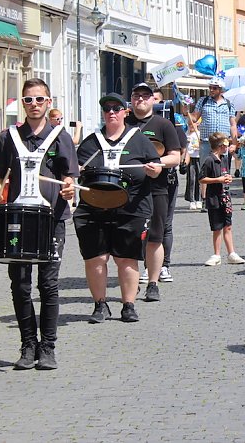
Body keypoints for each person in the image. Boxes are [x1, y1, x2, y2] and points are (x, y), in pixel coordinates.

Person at [0, 78, 79, 370]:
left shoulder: (60, 136)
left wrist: (69, 187)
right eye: (29, 100)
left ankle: (48, 347)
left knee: (48, 285)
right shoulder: (7, 137)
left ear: (48, 102)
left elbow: (70, 177)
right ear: (22, 103)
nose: (34, 104)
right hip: (17, 220)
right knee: (20, 285)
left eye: (40, 99)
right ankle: (28, 346)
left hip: (51, 220)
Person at [74, 93, 161, 325]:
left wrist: (155, 169)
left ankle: (128, 305)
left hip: (132, 206)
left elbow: (156, 166)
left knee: (126, 258)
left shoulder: (139, 139)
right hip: (94, 207)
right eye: (107, 109)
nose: (111, 112)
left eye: (116, 108)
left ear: (125, 112)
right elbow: (75, 172)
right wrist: (76, 171)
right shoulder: (91, 142)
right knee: (96, 258)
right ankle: (100, 305)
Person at [126, 82, 181, 302]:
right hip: (128, 188)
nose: (140, 99)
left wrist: (158, 163)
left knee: (155, 237)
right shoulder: (124, 122)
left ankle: (152, 283)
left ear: (153, 100)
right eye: (136, 95)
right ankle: (131, 282)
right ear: (131, 99)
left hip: (157, 187)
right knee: (129, 237)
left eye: (145, 96)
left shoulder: (164, 124)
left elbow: (175, 156)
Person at [153, 88, 187, 284]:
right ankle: (150, 266)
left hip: (167, 180)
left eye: (158, 101)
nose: (156, 106)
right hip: (142, 180)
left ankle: (164, 265)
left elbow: (182, 148)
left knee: (164, 224)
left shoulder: (171, 125)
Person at [191, 77, 238, 206]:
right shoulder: (203, 101)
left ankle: (223, 194)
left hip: (223, 142)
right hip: (207, 141)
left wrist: (234, 142)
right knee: (205, 170)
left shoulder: (228, 104)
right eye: (210, 87)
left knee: (224, 169)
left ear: (221, 90)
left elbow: (233, 124)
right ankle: (205, 199)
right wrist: (187, 113)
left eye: (214, 88)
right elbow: (194, 118)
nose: (211, 90)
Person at [200, 132, 241, 266]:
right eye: (225, 144)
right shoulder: (209, 160)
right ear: (219, 146)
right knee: (217, 227)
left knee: (228, 226)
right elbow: (202, 178)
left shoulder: (224, 158)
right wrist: (218, 179)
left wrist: (227, 178)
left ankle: (231, 253)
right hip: (214, 197)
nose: (227, 147)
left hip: (225, 196)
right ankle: (216, 254)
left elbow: (224, 174)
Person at [184, 112, 202, 210]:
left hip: (199, 157)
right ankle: (191, 200)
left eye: (193, 124)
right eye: (190, 124)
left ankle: (199, 199)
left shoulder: (199, 134)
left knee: (199, 179)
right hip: (190, 158)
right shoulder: (186, 134)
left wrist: (200, 144)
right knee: (191, 179)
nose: (191, 126)